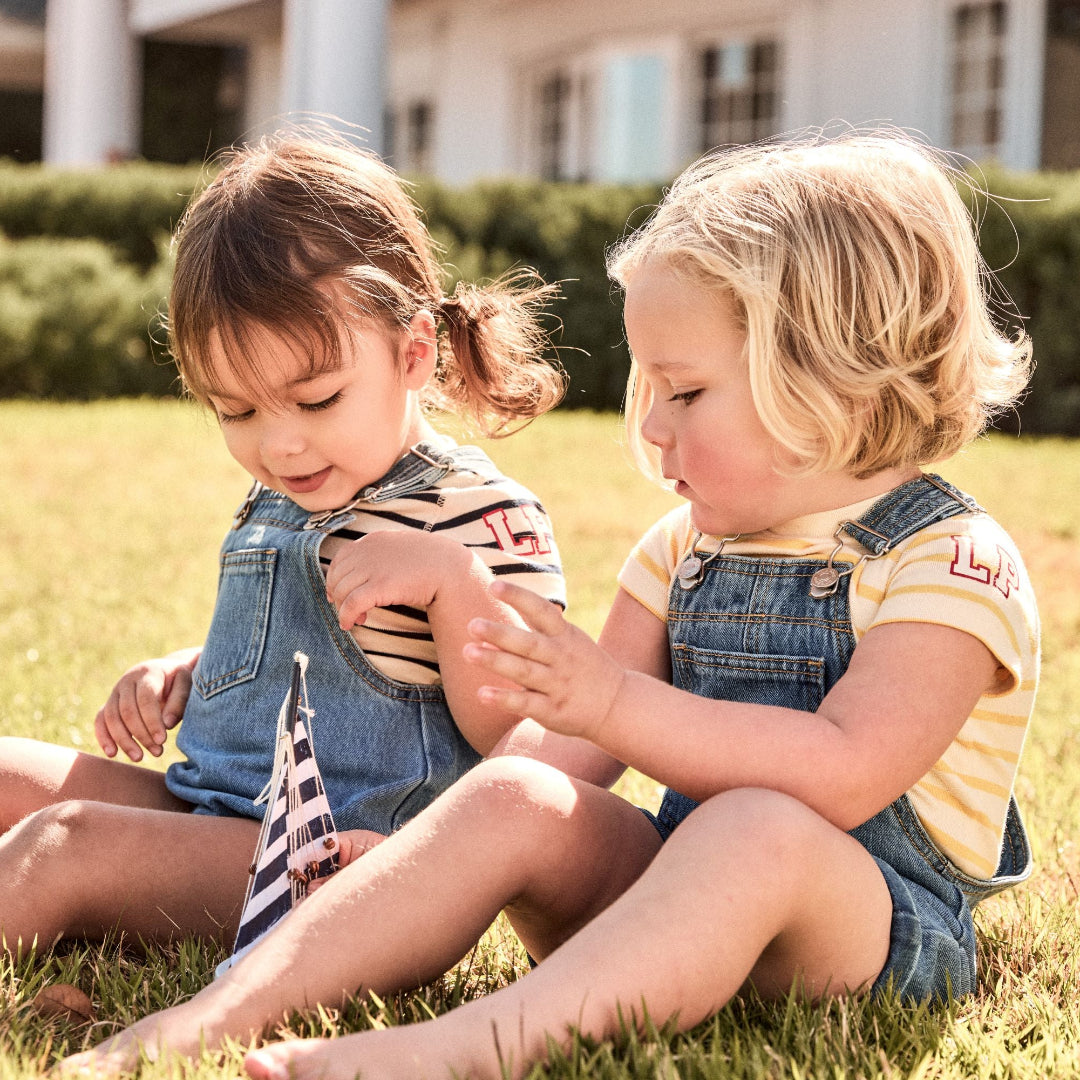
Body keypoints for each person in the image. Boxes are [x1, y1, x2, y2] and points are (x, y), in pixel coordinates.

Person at [59, 130, 1038, 1080]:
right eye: (647, 387)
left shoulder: (948, 560)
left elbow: (842, 776)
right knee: (513, 793)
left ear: (839, 378)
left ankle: (472, 1048)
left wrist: (612, 699)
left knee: (754, 829)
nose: (650, 425)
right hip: (676, 895)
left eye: (686, 392)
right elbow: (558, 760)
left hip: (866, 939)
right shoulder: (680, 554)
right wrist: (416, 850)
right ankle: (214, 1015)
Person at [0, 134, 567, 957]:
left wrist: (454, 584)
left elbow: (524, 738)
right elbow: (299, 650)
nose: (281, 446)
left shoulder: (476, 511)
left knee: (67, 844)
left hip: (332, 866)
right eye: (238, 411)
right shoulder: (285, 494)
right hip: (212, 812)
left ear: (413, 351)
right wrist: (189, 671)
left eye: (317, 398)